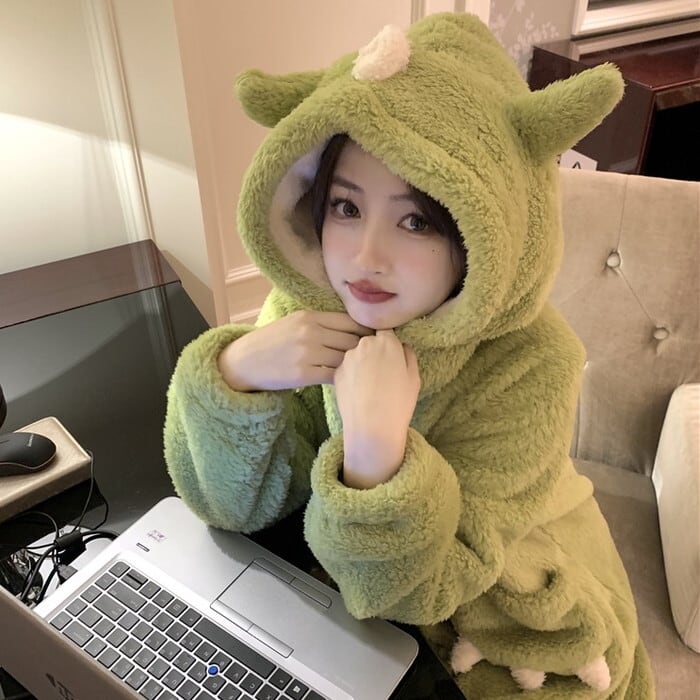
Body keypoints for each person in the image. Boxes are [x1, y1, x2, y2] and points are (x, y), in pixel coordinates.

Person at [164, 13, 654, 698]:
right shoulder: (308, 307)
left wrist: (376, 456)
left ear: (480, 230)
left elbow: (419, 592)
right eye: (345, 207)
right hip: (343, 613)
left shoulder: (535, 362)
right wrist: (235, 375)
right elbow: (233, 507)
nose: (365, 258)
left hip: (509, 584)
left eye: (416, 220)